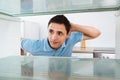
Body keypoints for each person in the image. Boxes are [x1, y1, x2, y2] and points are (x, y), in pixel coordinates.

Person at [21, 15, 101, 57]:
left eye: (59, 33)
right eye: (51, 31)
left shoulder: (70, 38)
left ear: (67, 34)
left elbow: (96, 33)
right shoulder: (35, 45)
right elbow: (18, 41)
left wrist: (75, 27)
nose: (53, 38)